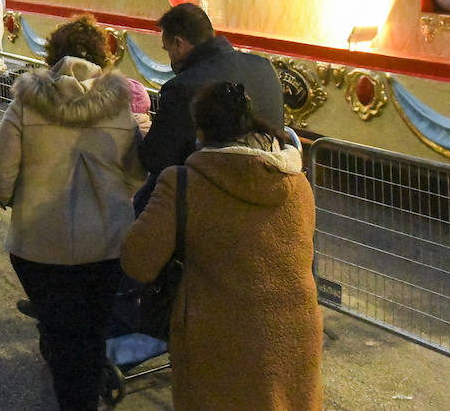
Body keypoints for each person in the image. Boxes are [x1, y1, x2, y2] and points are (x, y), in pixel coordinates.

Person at [121, 81, 322, 410]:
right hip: (293, 335)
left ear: (200, 130)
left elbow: (138, 260)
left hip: (221, 340)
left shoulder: (184, 184)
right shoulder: (296, 181)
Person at [0, 15, 151, 411]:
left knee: (59, 334)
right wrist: (112, 199)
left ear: (53, 53)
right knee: (92, 333)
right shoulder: (117, 105)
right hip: (106, 243)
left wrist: (11, 198)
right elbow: (136, 172)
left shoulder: (28, 99)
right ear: (101, 57)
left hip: (38, 243)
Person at [139, 3, 285, 185]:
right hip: (274, 179)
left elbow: (157, 159)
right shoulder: (264, 67)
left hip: (216, 193)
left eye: (168, 50)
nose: (170, 58)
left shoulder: (182, 87)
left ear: (178, 43)